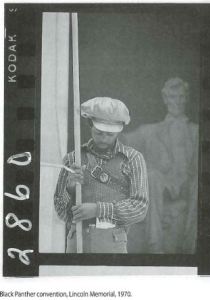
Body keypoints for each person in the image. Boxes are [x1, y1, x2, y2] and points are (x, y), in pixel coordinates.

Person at [54, 97, 149, 253]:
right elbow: (61, 212)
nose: (104, 138)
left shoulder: (133, 159)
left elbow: (140, 208)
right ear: (90, 124)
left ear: (120, 130)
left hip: (113, 242)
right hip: (76, 241)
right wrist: (70, 188)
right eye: (99, 133)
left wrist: (98, 209)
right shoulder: (73, 158)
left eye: (110, 134)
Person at [124, 78, 198, 254]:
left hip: (189, 185)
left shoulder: (197, 131)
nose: (177, 101)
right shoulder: (151, 130)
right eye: (173, 97)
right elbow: (123, 141)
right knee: (152, 176)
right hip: (163, 184)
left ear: (186, 99)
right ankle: (155, 244)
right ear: (165, 99)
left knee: (200, 184)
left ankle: (191, 246)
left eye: (181, 97)